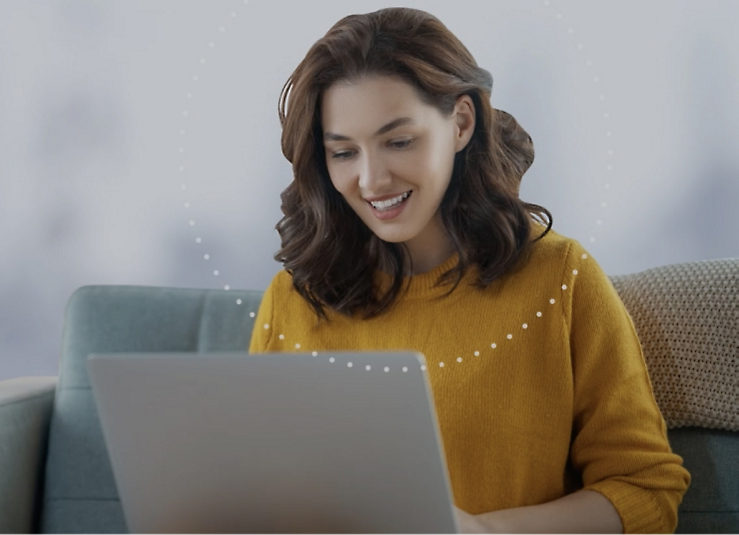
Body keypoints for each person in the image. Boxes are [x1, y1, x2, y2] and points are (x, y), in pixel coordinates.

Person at [248, 7, 690, 534]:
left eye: (399, 141)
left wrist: (484, 533)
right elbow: (256, 490)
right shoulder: (293, 298)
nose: (371, 180)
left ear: (460, 123)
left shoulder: (559, 279)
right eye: (343, 152)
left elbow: (645, 489)